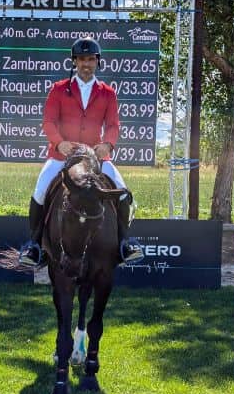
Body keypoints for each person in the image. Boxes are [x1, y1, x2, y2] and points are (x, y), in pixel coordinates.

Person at [21, 37, 143, 267]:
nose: (86, 64)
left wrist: (107, 145)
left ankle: (125, 243)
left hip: (96, 156)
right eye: (81, 59)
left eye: (90, 59)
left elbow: (114, 125)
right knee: (40, 190)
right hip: (62, 156)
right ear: (74, 62)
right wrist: (59, 143)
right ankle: (34, 245)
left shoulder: (108, 92)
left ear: (97, 62)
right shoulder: (58, 89)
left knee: (123, 191)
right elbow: (48, 122)